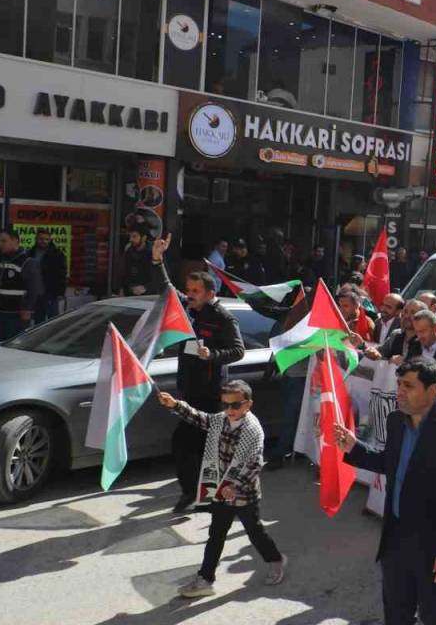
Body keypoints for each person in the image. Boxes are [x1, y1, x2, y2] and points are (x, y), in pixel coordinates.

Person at [334, 358, 436, 625]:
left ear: (432, 390)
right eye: (399, 383)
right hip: (396, 538)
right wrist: (354, 447)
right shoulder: (396, 420)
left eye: (408, 386)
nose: (399, 391)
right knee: (396, 613)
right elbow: (389, 463)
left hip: (434, 544)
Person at [158, 382, 286, 597]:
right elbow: (200, 418)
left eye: (235, 405)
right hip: (220, 490)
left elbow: (255, 464)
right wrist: (175, 405)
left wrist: (235, 485)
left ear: (248, 404)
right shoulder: (221, 420)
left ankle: (276, 560)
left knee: (255, 532)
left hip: (244, 493)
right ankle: (205, 579)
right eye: (225, 405)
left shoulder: (252, 430)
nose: (229, 410)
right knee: (216, 535)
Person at [153, 234, 246, 512]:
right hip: (189, 389)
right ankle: (194, 492)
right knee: (186, 445)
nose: (190, 294)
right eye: (189, 290)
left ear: (210, 294)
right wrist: (157, 260)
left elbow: (238, 351)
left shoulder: (223, 318)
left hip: (211, 394)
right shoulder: (187, 308)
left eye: (195, 291)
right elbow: (167, 289)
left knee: (197, 446)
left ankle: (205, 494)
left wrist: (212, 355)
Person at [0, 228, 44, 341]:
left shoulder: (27, 262)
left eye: (4, 241)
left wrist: (27, 309)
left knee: (12, 343)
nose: (0, 244)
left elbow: (34, 288)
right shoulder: (0, 260)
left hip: (16, 314)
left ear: (15, 241)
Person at [118, 227, 157, 296]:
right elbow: (125, 273)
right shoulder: (129, 252)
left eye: (134, 236)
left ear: (144, 238)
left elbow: (161, 277)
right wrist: (122, 289)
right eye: (130, 236)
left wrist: (146, 288)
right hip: (130, 294)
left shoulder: (154, 252)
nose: (131, 239)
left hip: (148, 296)